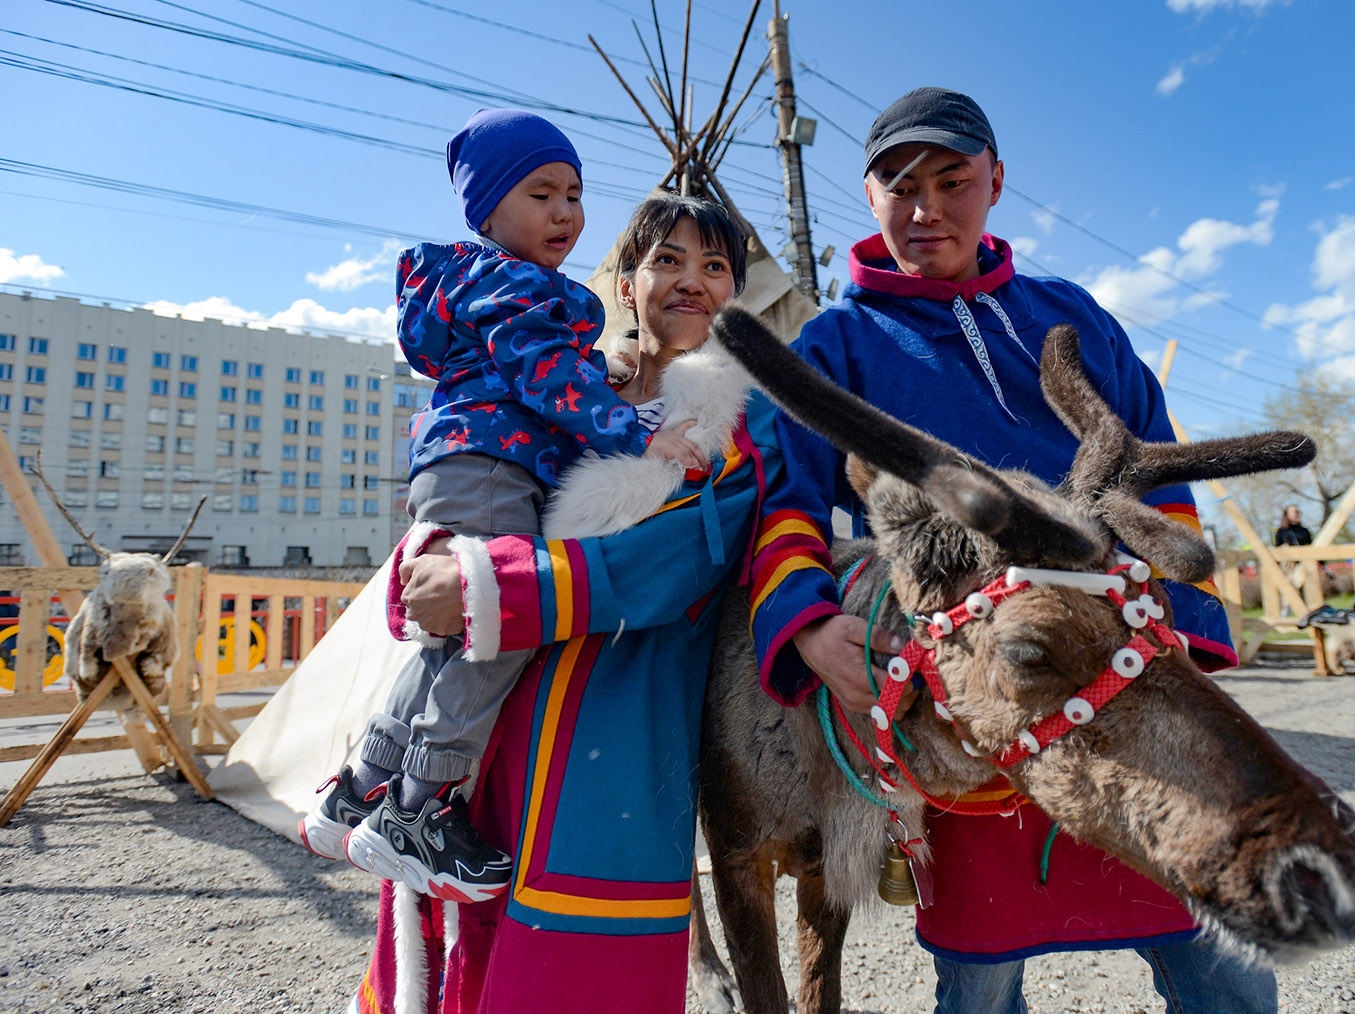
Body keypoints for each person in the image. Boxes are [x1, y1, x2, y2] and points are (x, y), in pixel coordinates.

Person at [745, 87, 1278, 1012]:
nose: (926, 209)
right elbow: (782, 502)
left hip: (1123, 673)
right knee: (983, 978)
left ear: (997, 181)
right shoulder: (834, 343)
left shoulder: (1070, 317)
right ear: (868, 196)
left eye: (953, 181)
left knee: (1222, 960)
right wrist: (808, 625)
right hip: (969, 700)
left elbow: (1156, 480)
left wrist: (1180, 623)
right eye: (899, 186)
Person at [356, 193, 777, 1013]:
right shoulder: (560, 396)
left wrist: (482, 588)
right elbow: (476, 491)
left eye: (716, 266)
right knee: (455, 961)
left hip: (611, 749)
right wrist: (436, 560)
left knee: (560, 978)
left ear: (736, 293)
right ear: (626, 283)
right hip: (482, 734)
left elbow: (668, 564)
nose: (692, 281)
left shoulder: (737, 429)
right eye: (668, 260)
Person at [297, 110, 705, 902]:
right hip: (491, 467)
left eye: (575, 194)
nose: (565, 213)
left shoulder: (480, 284)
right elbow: (544, 371)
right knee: (496, 621)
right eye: (541, 193)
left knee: (446, 642)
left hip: (461, 464)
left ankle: (363, 782)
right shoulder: (515, 285)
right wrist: (632, 432)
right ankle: (423, 808)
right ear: (487, 214)